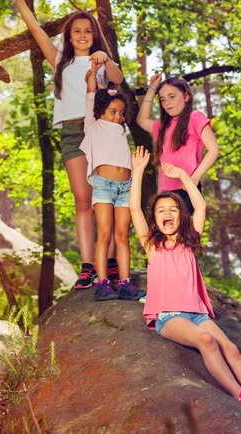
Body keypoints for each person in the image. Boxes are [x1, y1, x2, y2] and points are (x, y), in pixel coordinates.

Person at [130, 147, 241, 421]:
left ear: (181, 216)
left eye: (172, 210)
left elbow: (200, 205)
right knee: (206, 341)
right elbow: (133, 207)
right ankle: (239, 393)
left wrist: (183, 176)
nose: (167, 214)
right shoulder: (152, 247)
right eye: (160, 211)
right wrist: (138, 171)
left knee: (231, 348)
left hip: (197, 314)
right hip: (169, 317)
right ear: (154, 219)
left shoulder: (190, 244)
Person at [15, 0, 124, 288]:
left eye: (88, 31)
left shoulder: (100, 62)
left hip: (102, 133)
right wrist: (19, 4)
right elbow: (36, 30)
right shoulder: (59, 61)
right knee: (83, 200)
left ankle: (110, 262)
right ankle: (88, 266)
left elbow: (119, 79)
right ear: (69, 36)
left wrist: (105, 58)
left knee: (106, 200)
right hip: (73, 133)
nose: (83, 35)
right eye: (77, 31)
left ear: (94, 35)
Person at [80, 66, 144, 301]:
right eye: (112, 111)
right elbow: (90, 100)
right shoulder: (93, 124)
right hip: (104, 186)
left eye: (120, 113)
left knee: (122, 236)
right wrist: (92, 78)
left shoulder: (121, 129)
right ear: (100, 112)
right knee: (104, 235)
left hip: (125, 187)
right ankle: (103, 283)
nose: (118, 116)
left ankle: (126, 283)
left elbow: (115, 97)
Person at [136, 75, 219, 214]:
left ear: (186, 96)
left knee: (181, 232)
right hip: (164, 194)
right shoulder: (163, 126)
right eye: (163, 99)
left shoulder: (195, 117)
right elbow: (141, 120)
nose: (167, 102)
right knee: (165, 234)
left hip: (186, 189)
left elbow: (214, 149)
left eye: (172, 96)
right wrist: (152, 89)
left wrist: (194, 178)